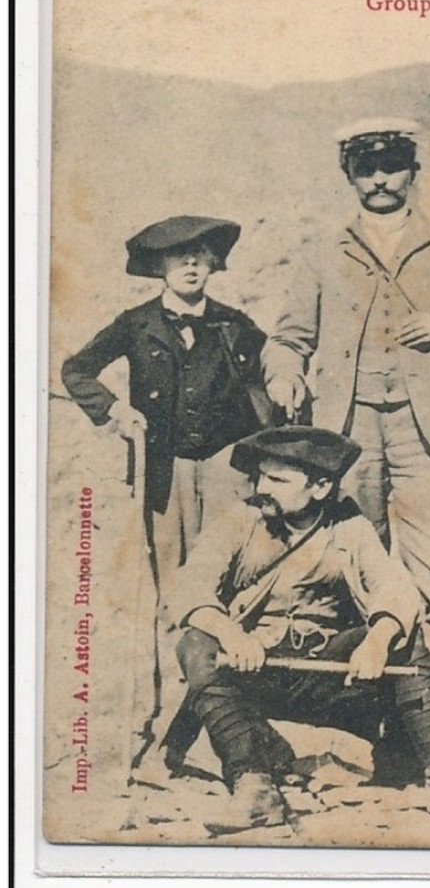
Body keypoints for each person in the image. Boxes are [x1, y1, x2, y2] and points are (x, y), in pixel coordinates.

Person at [261, 119, 430, 763]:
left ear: (411, 171)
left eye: (392, 166)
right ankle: (373, 725)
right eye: (366, 169)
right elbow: (287, 339)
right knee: (353, 575)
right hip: (348, 439)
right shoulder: (320, 254)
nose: (379, 179)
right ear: (348, 175)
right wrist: (284, 372)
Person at [167, 427, 430, 829]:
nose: (262, 487)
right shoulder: (243, 520)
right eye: (260, 476)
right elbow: (189, 587)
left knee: (405, 637)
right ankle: (254, 787)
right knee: (196, 643)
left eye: (278, 480)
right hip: (255, 671)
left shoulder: (348, 525)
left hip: (325, 675)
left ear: (321, 487)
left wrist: (378, 639)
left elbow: (395, 588)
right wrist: (232, 634)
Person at [61, 216, 267, 600]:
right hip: (163, 467)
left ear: (213, 264)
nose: (190, 266)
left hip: (226, 469)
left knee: (228, 569)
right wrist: (115, 409)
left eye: (199, 257)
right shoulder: (136, 323)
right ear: (159, 266)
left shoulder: (234, 324)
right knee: (170, 575)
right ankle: (171, 661)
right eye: (179, 257)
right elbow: (76, 370)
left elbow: (268, 378)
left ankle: (218, 659)